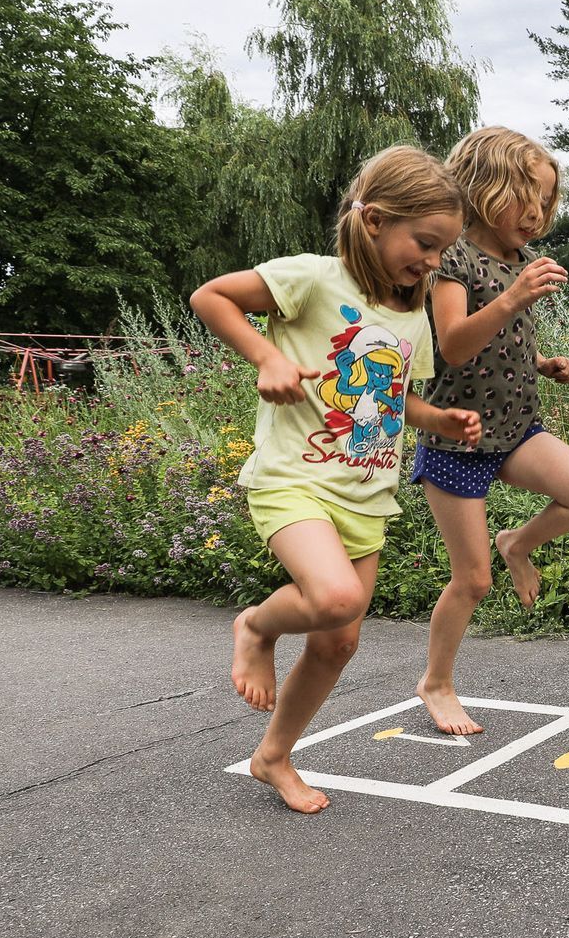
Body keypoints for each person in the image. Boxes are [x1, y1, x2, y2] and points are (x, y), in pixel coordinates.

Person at [191, 145, 481, 813]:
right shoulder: (314, 279)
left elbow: (393, 395)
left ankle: (274, 755)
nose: (433, 262)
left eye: (443, 253)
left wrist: (438, 419)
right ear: (375, 220)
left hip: (365, 494)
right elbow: (211, 298)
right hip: (295, 479)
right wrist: (266, 355)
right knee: (335, 598)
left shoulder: (413, 314)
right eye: (426, 243)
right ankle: (258, 628)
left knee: (339, 638)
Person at [412, 127, 569, 735]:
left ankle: (518, 542)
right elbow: (453, 345)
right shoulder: (452, 259)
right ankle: (437, 682)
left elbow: (500, 345)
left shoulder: (521, 262)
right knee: (471, 580)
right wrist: (514, 297)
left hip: (517, 425)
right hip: (458, 436)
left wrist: (539, 362)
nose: (537, 212)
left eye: (547, 200)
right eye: (525, 194)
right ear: (482, 187)